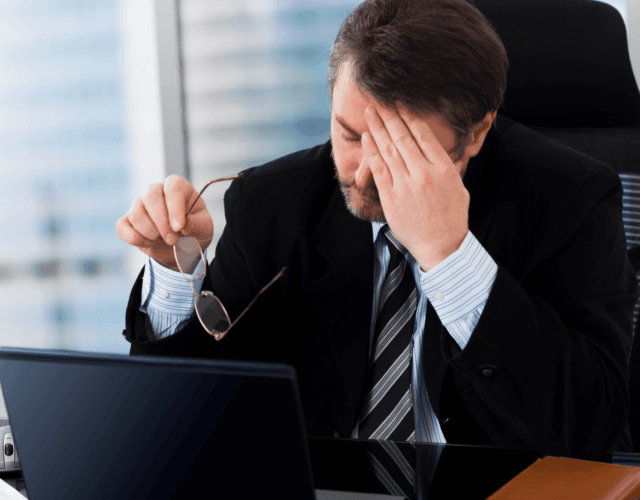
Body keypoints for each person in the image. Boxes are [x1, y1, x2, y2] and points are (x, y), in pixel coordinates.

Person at [116, 0, 638, 460]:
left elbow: (589, 429)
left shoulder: (572, 198)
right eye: (350, 134)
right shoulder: (273, 201)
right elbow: (178, 418)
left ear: (477, 132)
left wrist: (449, 255)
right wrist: (172, 268)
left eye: (402, 149)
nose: (365, 172)